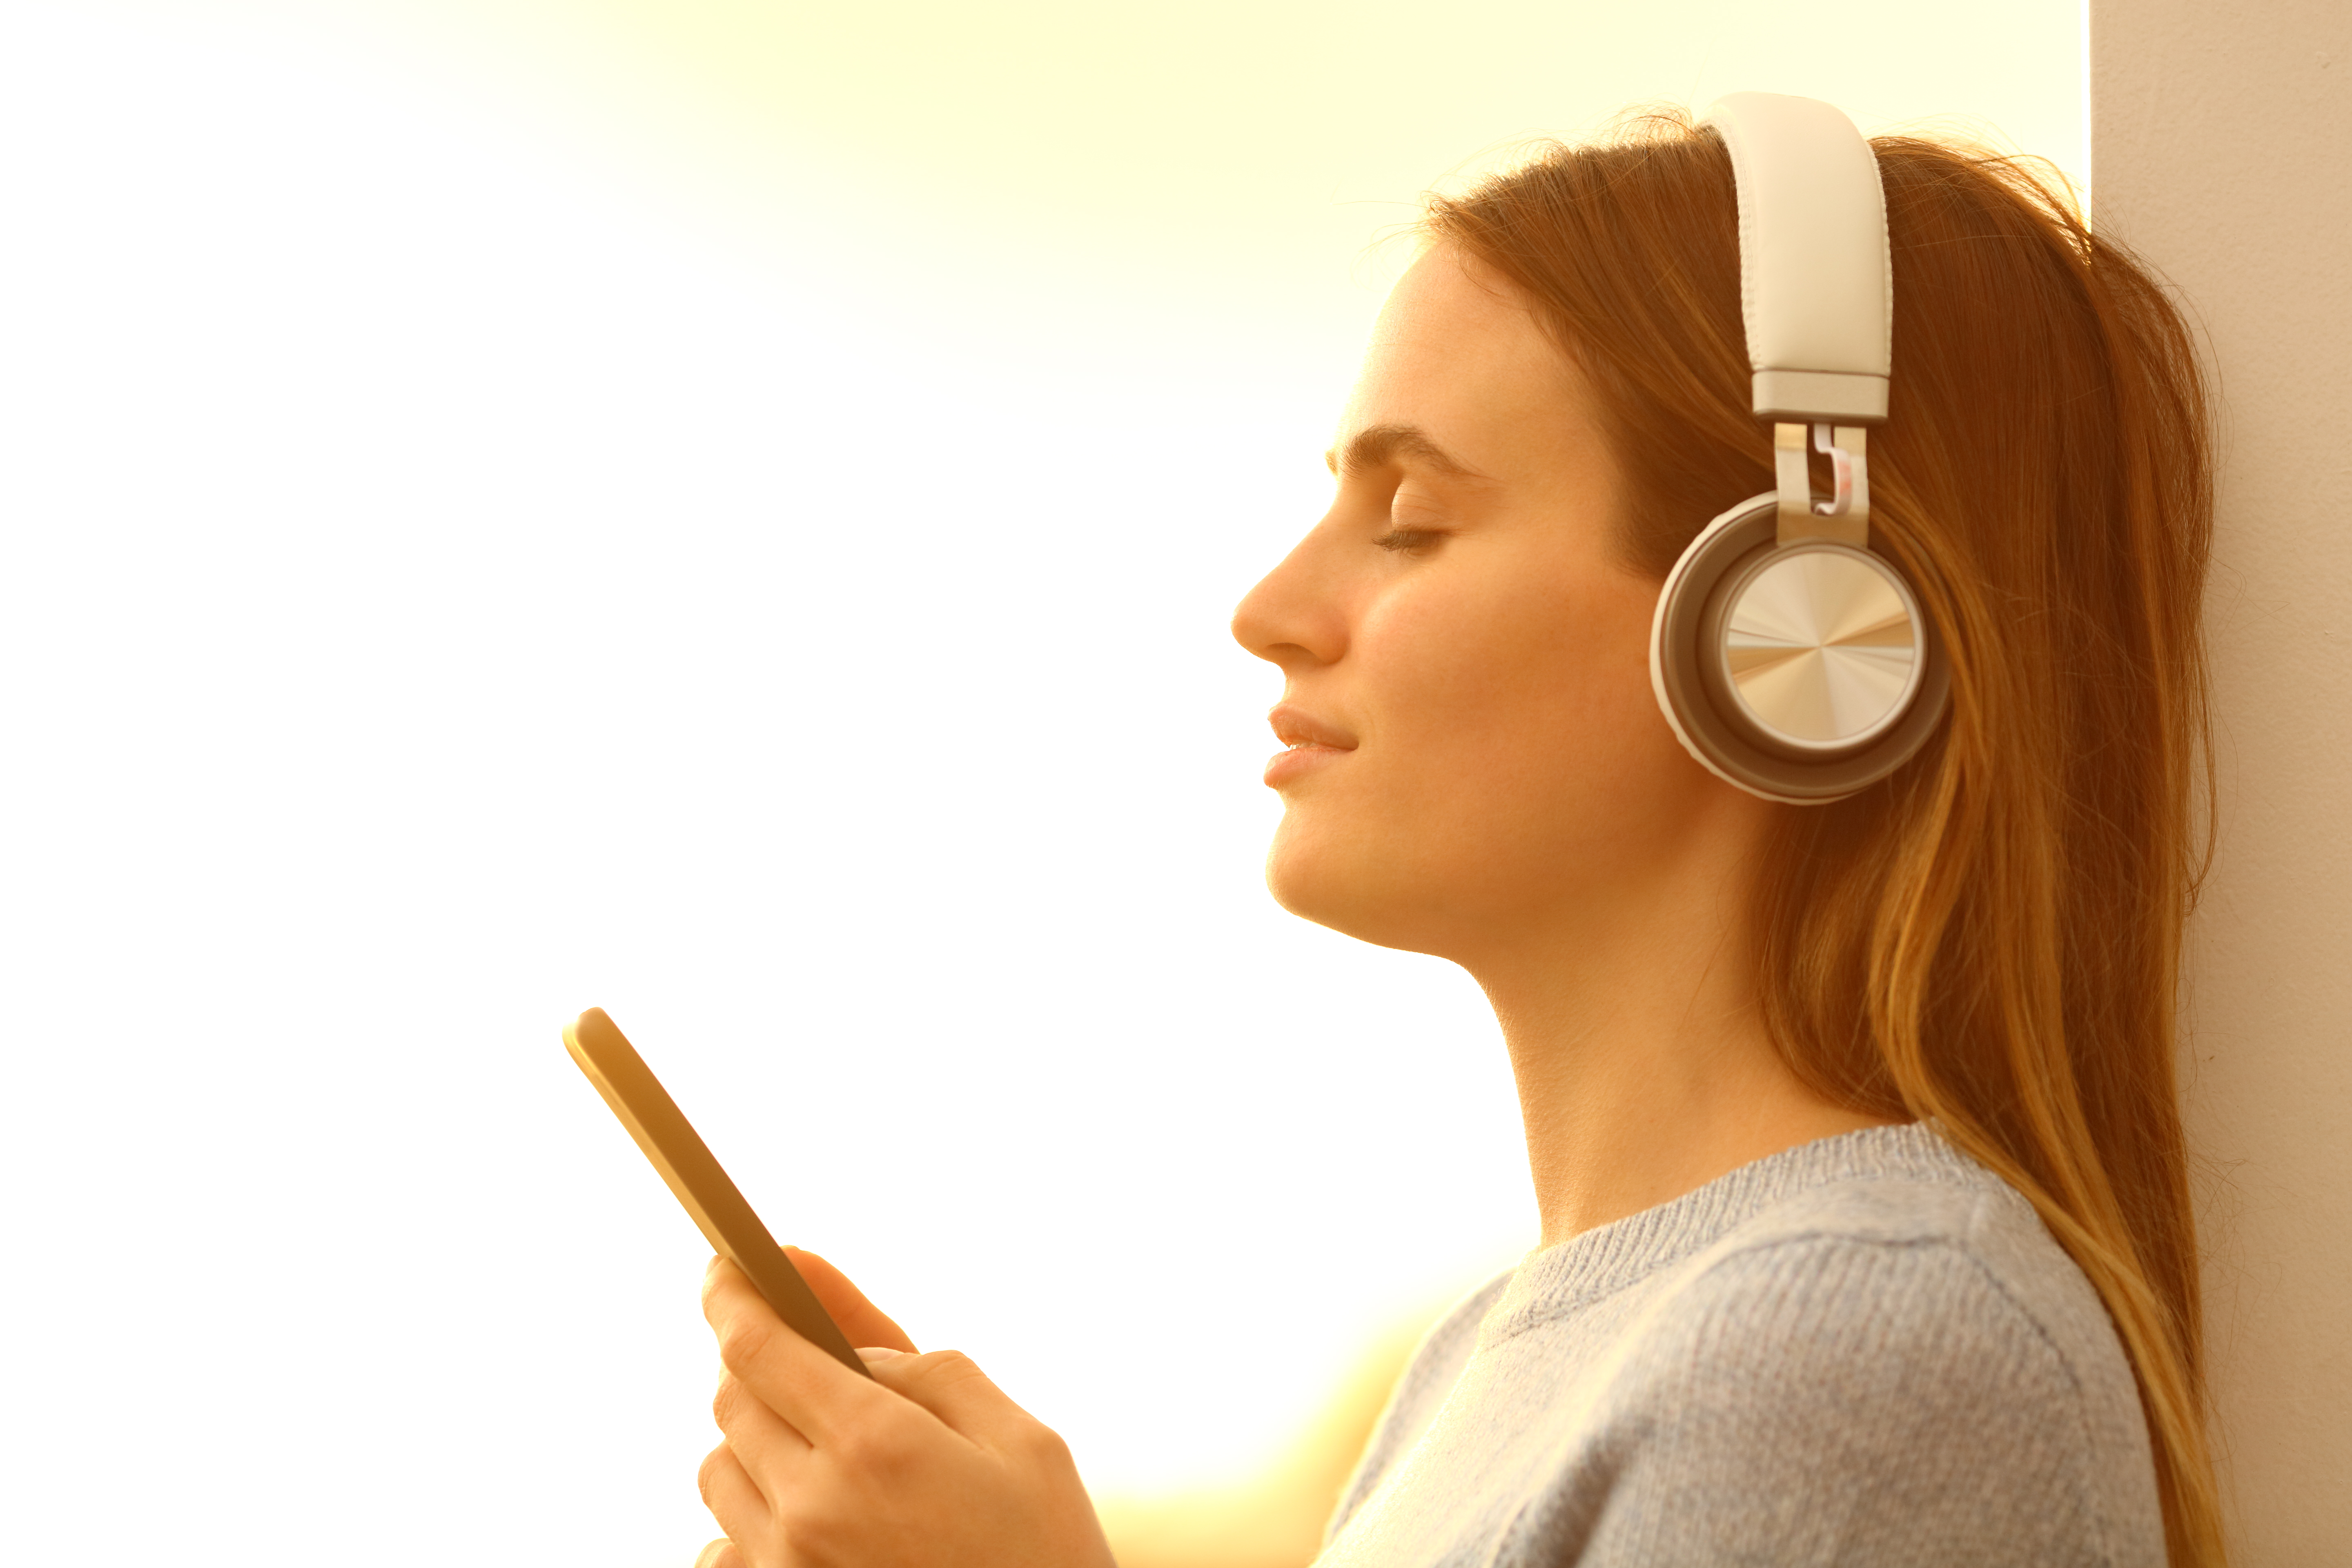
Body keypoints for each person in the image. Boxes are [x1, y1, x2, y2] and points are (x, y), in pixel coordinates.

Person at [686, 105, 2225, 1568]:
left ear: (1789, 628)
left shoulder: (1867, 1340)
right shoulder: (1498, 1362)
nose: (1270, 612)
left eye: (1409, 517)